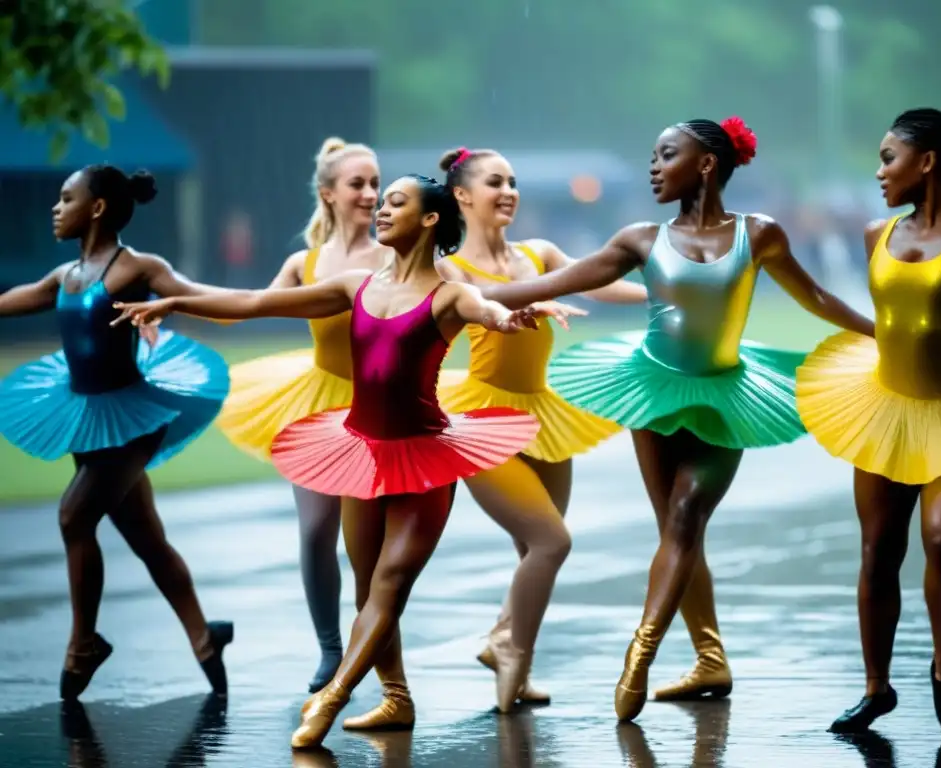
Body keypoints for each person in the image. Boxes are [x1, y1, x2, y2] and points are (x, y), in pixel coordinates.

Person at [110, 173, 581, 749]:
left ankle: (329, 699)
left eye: (396, 203)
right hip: (360, 451)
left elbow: (486, 309)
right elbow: (257, 303)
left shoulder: (449, 294)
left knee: (389, 583)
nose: (381, 211)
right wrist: (181, 300)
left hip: (426, 458)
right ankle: (396, 698)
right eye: (381, 202)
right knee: (365, 591)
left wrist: (508, 319)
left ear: (430, 220)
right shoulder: (355, 285)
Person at [472, 117, 874, 722]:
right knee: (676, 533)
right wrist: (454, 300)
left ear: (707, 163)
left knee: (685, 518)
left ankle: (640, 654)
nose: (654, 167)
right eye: (653, 157)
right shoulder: (640, 238)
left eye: (666, 155)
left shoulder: (760, 235)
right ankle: (710, 658)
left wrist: (879, 332)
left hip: (724, 395)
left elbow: (815, 297)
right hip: (653, 392)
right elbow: (557, 281)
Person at [796, 108, 941, 738]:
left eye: (888, 157)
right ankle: (876, 688)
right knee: (877, 552)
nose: (878, 171)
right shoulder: (877, 234)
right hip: (885, 407)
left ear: (926, 162)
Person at [0, 165, 234, 700]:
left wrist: (264, 302)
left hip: (131, 420)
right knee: (146, 538)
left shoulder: (137, 268)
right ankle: (204, 637)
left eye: (66, 198)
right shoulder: (66, 276)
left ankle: (84, 642)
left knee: (73, 514)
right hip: (84, 416)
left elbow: (193, 294)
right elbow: (10, 301)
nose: (56, 208)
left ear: (97, 207)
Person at [431, 146, 646, 711]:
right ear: (462, 195)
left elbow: (596, 283)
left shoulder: (540, 252)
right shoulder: (448, 267)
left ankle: (511, 649)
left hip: (543, 415)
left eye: (513, 181)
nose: (509, 191)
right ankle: (510, 650)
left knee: (533, 546)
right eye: (495, 182)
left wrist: (664, 295)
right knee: (554, 542)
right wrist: (541, 295)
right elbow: (477, 301)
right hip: (480, 419)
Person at [215, 138, 394, 698]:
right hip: (316, 405)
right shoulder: (305, 263)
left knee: (371, 542)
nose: (370, 194)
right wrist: (172, 309)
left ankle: (377, 648)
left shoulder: (396, 253)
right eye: (357, 184)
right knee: (318, 530)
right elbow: (249, 307)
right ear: (329, 194)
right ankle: (329, 647)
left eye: (374, 183)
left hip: (378, 407)